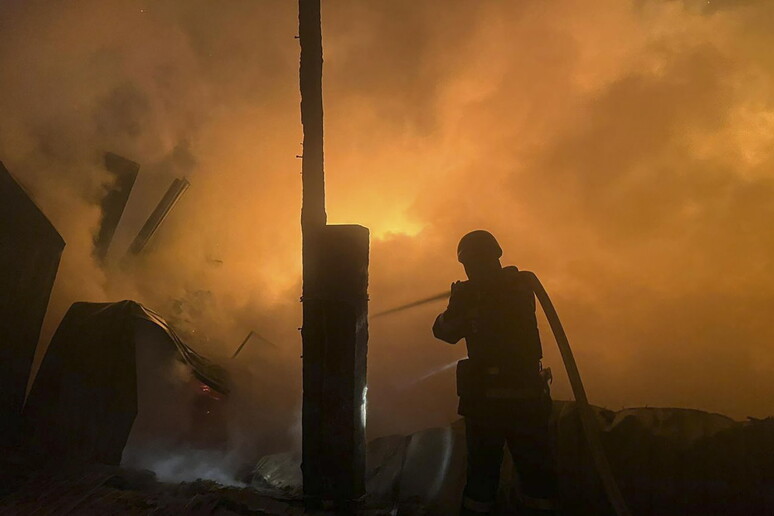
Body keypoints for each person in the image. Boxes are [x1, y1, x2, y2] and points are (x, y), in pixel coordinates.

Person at [433, 230, 558, 515]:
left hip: (485, 406)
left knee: (482, 479)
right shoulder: (521, 286)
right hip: (527, 400)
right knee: (536, 475)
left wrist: (455, 302)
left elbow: (443, 332)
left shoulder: (471, 296)